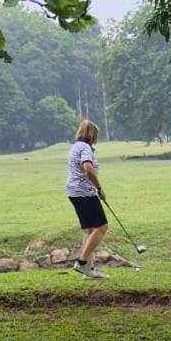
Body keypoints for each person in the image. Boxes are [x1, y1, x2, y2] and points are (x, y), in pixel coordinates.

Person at [65, 119, 108, 279]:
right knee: (102, 227)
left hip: (74, 192)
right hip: (84, 193)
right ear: (92, 135)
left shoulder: (75, 146)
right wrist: (99, 188)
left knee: (89, 230)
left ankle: (88, 270)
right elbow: (88, 169)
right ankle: (82, 262)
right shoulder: (85, 148)